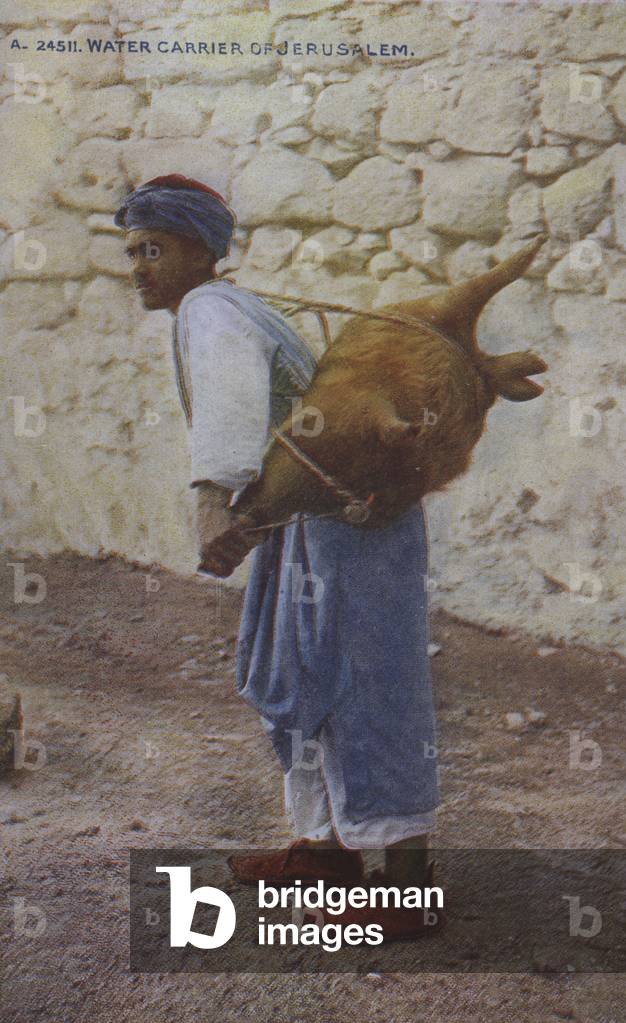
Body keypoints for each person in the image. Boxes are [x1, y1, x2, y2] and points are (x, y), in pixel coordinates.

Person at [115, 174, 441, 941]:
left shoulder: (212, 307)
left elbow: (231, 402)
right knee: (301, 673)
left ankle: (408, 886)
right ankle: (327, 849)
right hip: (306, 520)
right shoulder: (232, 304)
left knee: (367, 682)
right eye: (132, 251)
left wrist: (212, 501)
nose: (138, 266)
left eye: (153, 248)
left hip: (350, 524)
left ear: (201, 251)